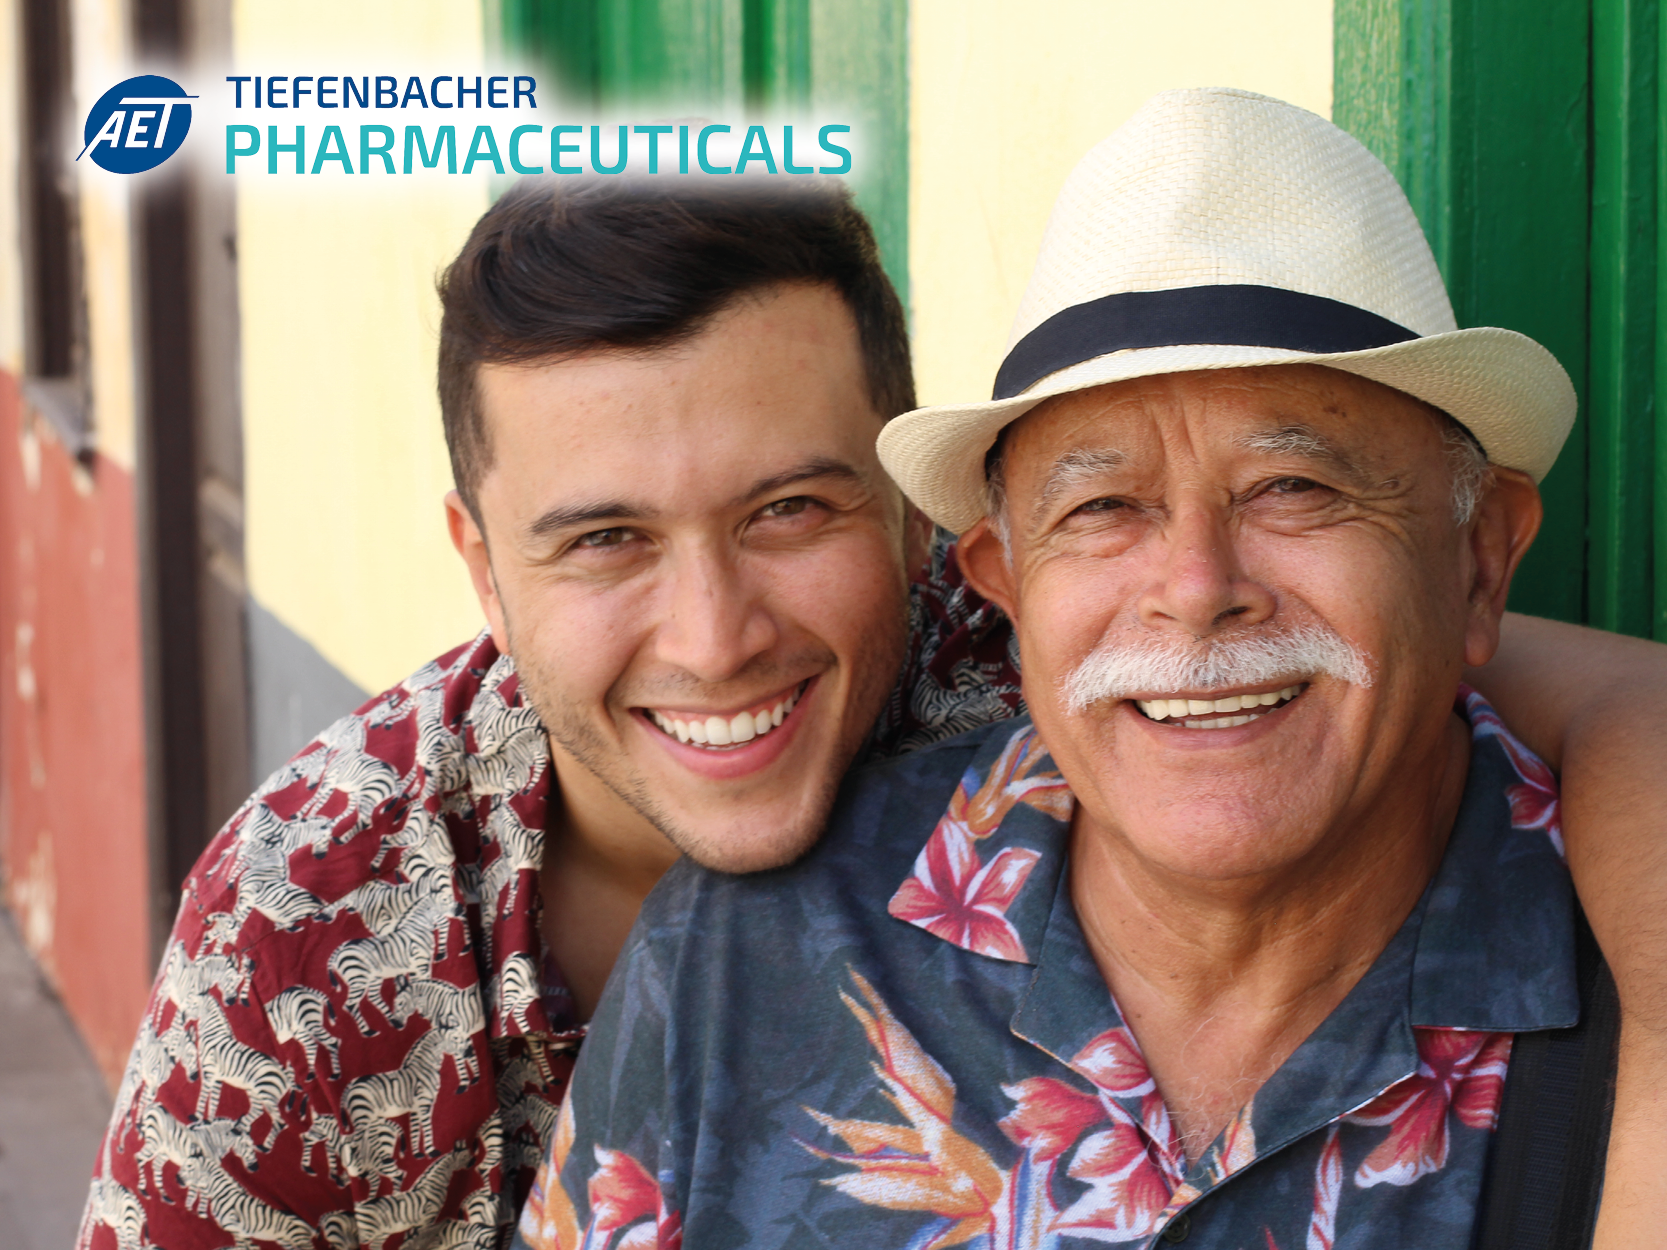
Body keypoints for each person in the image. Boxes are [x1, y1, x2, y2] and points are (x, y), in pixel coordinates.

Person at [77, 168, 1667, 1249]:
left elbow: (1407, 657)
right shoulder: (305, 925)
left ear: (921, 539)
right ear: (480, 569)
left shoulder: (1038, 641)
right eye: (604, 539)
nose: (714, 637)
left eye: (789, 509)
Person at [521, 89, 1639, 1249]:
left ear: (1477, 558)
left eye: (1293, 488)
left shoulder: (1628, 957)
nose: (1194, 586)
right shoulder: (737, 961)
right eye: (1101, 507)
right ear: (1003, 587)